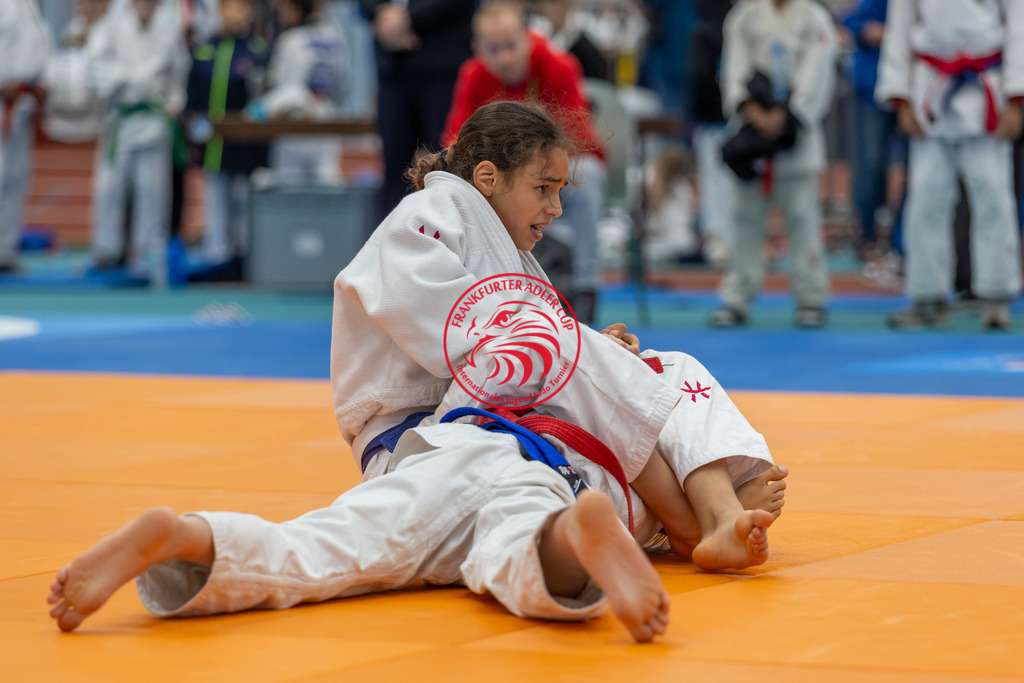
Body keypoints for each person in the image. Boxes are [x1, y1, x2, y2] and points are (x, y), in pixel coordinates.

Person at [48, 101, 785, 642]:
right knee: (521, 539)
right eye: (546, 187)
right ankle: (630, 521)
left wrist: (583, 341)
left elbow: (517, 337)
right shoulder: (433, 219)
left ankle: (185, 536)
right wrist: (579, 344)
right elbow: (507, 341)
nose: (557, 207)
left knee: (320, 550)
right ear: (488, 175)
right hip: (505, 447)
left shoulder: (487, 245)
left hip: (438, 456)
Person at [443, 0, 608, 323]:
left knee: (589, 176)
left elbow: (577, 138)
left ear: (529, 38)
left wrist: (531, 173)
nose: (503, 57)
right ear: (478, 48)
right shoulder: (473, 75)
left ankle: (586, 288)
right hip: (504, 182)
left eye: (510, 46)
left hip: (556, 174)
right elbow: (456, 142)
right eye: (493, 49)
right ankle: (477, 288)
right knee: (457, 184)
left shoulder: (560, 67)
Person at [876, 0, 1023, 331]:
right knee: (926, 199)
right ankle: (928, 296)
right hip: (930, 90)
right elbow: (899, 33)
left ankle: (997, 296)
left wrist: (1017, 97)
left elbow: (1019, 29)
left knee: (994, 198)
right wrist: (899, 97)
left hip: (988, 90)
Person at [709, 0, 838, 328]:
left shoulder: (814, 17)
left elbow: (818, 69)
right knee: (744, 220)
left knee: (803, 219)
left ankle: (810, 297)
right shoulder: (745, 14)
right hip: (751, 134)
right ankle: (737, 295)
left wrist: (789, 115)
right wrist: (750, 109)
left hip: (797, 135)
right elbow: (733, 67)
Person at [85, 0, 190, 285]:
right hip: (122, 118)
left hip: (154, 120)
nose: (147, 4)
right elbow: (94, 67)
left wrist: (174, 102)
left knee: (153, 191)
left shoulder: (168, 32)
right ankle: (107, 251)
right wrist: (124, 78)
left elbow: (179, 73)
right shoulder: (110, 28)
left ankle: (148, 254)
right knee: (110, 189)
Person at [358, 0, 476, 221]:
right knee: (395, 170)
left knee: (446, 165)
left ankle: (449, 241)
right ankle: (390, 244)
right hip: (393, 67)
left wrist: (409, 18)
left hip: (442, 65)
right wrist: (383, 15)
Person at [185, 0, 269, 278]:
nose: (235, 13)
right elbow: (192, 93)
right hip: (213, 147)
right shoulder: (205, 48)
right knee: (216, 203)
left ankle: (246, 260)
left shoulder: (257, 50)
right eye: (228, 7)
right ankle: (216, 259)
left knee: (244, 203)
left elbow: (265, 97)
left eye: (241, 7)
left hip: (247, 147)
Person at [245, 0, 349, 184]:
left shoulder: (291, 40)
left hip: (294, 124)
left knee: (289, 187)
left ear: (297, 8)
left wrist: (259, 110)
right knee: (326, 181)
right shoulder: (334, 37)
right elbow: (343, 83)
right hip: (327, 120)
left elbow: (289, 91)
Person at [0, 0, 50, 274]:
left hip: (23, 101)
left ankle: (4, 251)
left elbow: (38, 50)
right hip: (2, 97)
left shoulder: (31, 5)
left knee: (15, 180)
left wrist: (43, 81)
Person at [529, 0, 612, 82]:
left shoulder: (583, 45)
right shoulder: (536, 36)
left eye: (556, 4)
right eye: (549, 4)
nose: (553, 9)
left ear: (567, 6)